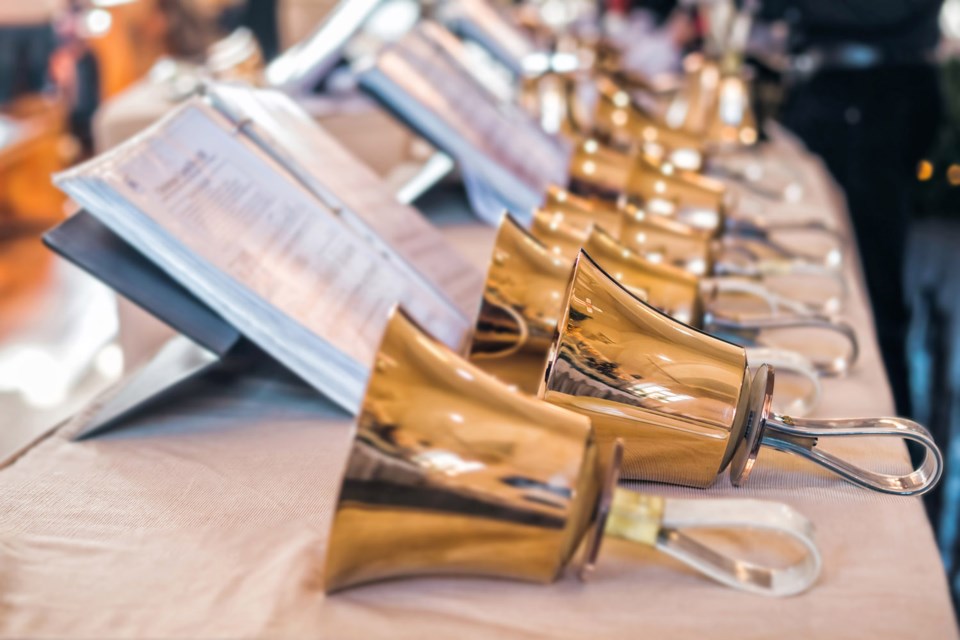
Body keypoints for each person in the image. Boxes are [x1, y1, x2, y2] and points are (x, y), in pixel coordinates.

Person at [766, 0, 945, 416]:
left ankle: (896, 458)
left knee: (873, 289)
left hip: (872, 97)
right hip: (843, 94)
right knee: (814, 272)